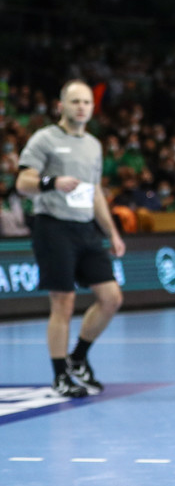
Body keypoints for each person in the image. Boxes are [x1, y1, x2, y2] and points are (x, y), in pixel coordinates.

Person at [16, 79, 125, 398]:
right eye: (75, 101)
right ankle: (60, 375)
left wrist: (111, 232)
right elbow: (22, 182)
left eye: (87, 102)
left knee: (111, 298)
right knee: (63, 303)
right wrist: (51, 182)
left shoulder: (93, 145)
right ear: (60, 106)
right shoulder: (45, 138)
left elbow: (96, 193)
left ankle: (78, 357)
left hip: (85, 228)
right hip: (53, 227)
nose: (81, 107)